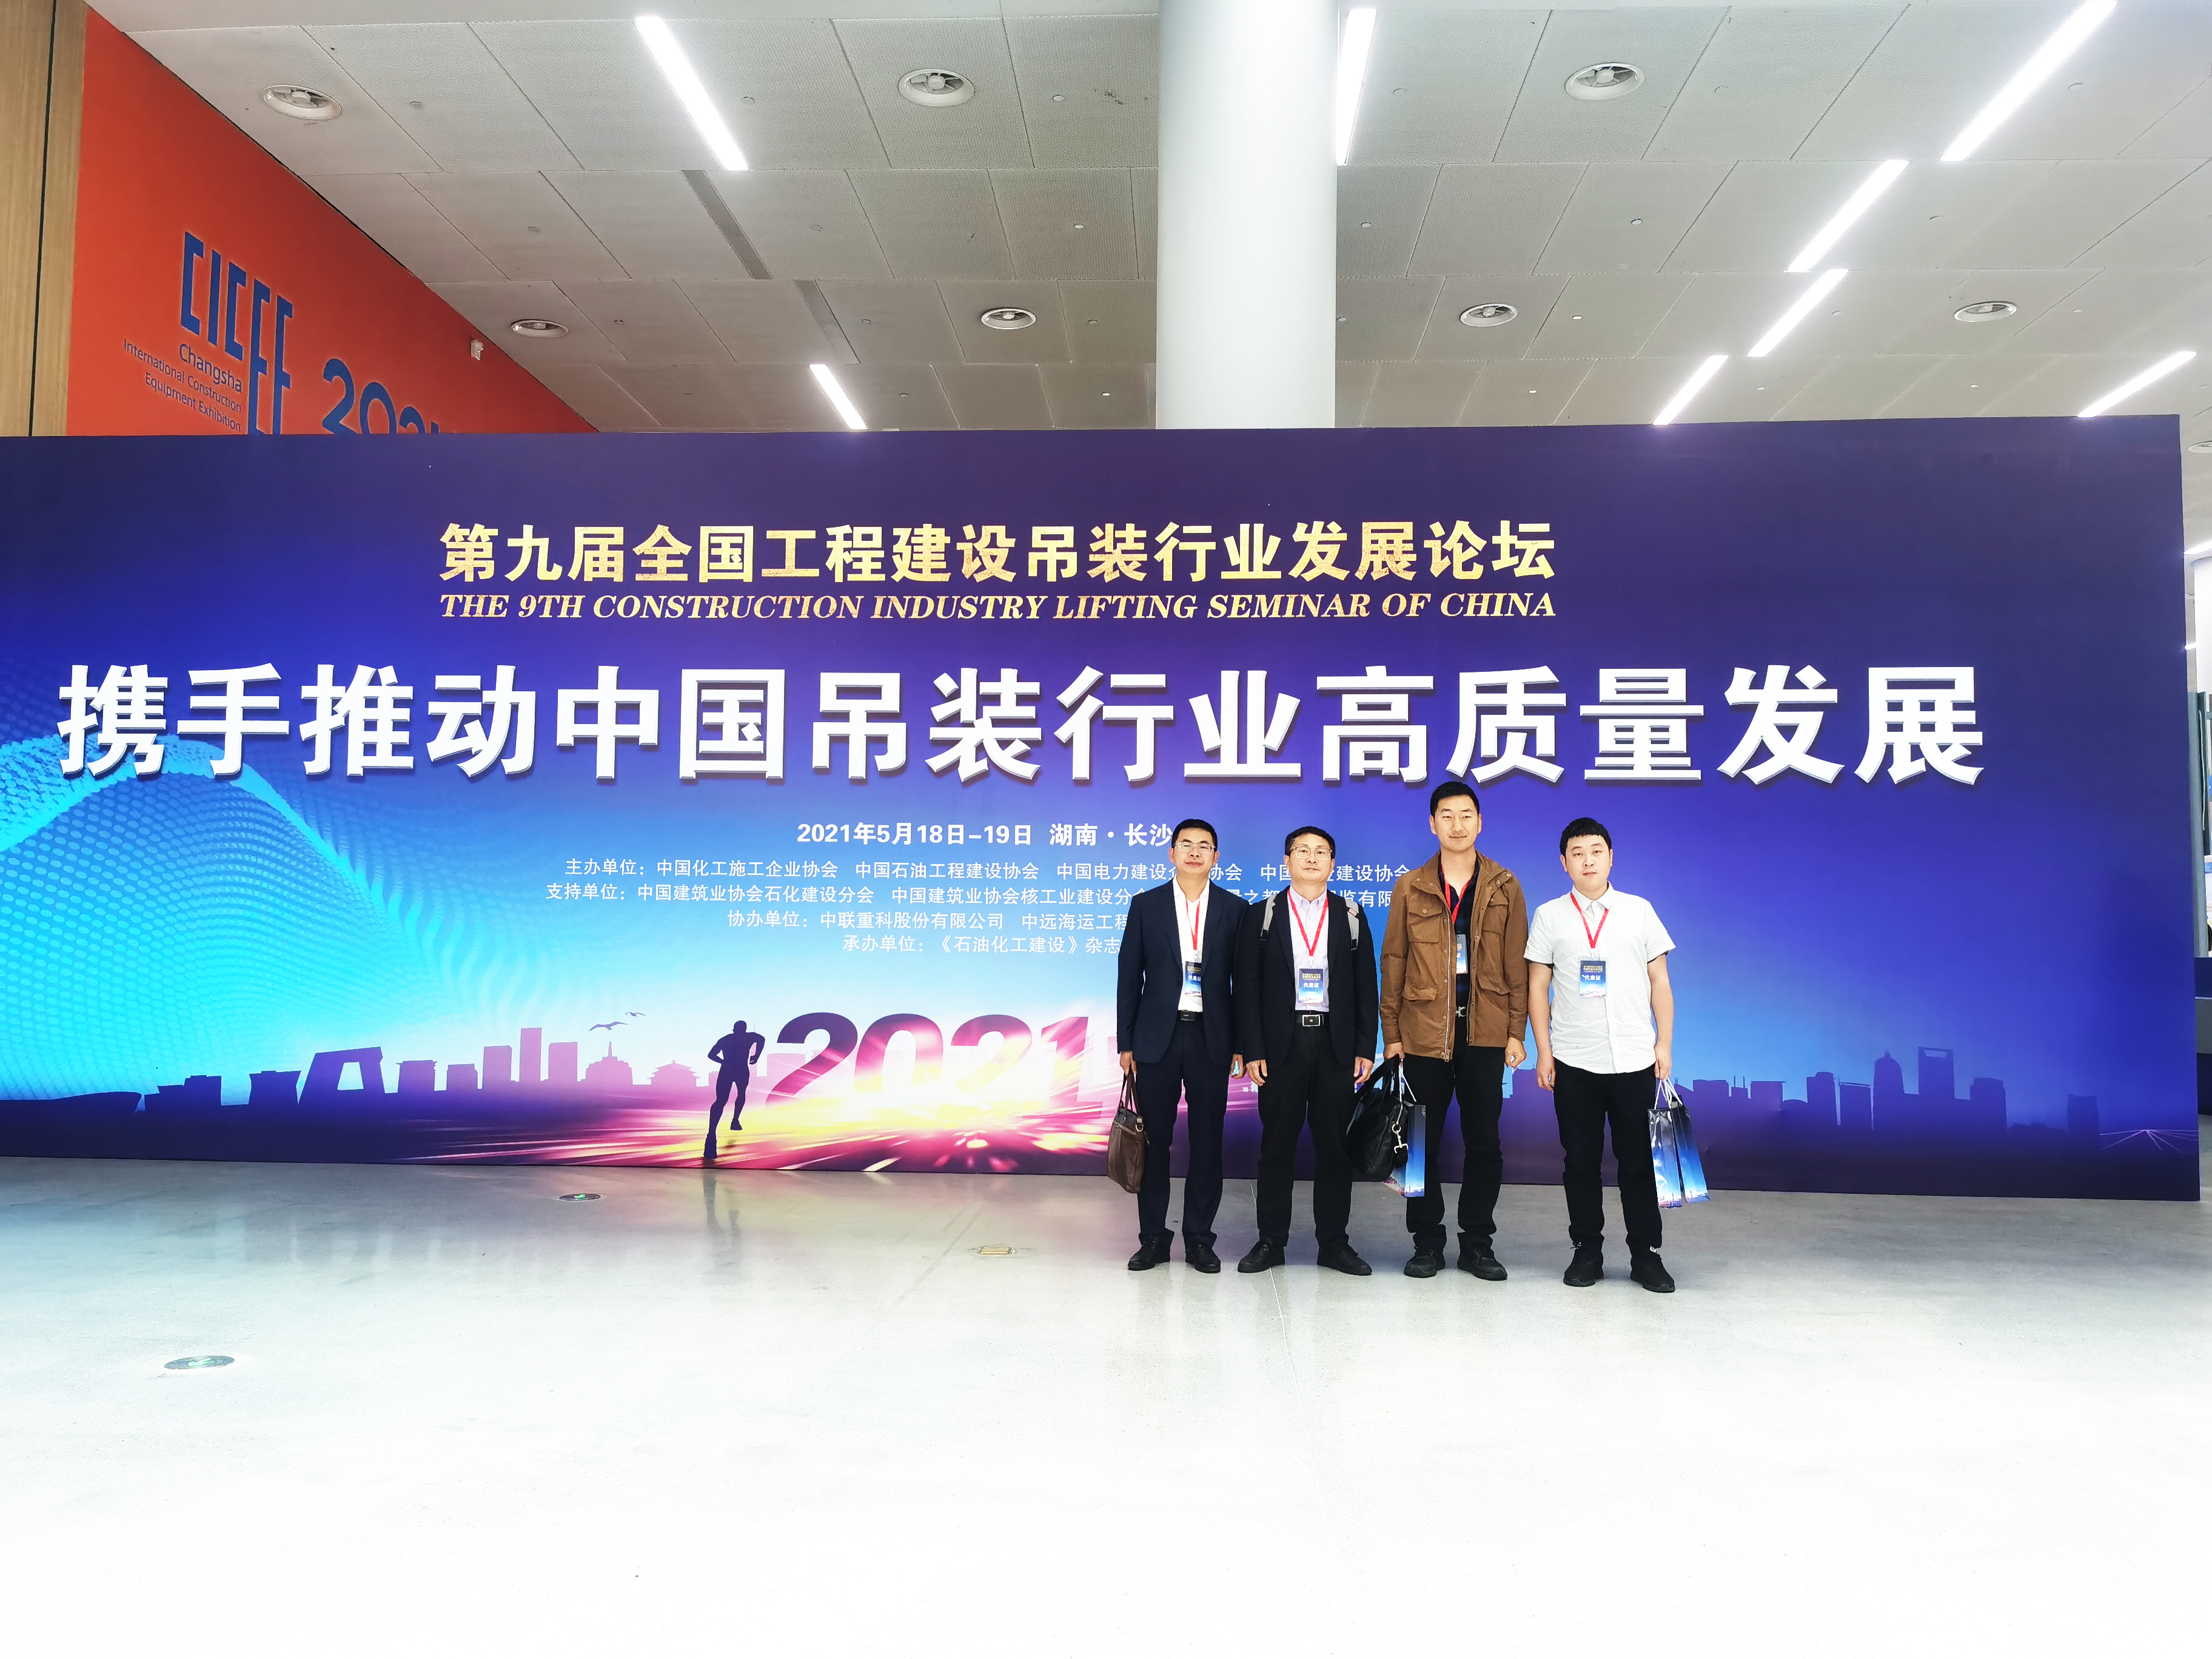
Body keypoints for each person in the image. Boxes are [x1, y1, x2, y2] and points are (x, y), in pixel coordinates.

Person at [1379, 780, 1528, 1281]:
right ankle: (1426, 1243)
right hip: (1423, 1035)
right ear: (1432, 824)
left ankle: (1477, 1243)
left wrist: (1516, 1031)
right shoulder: (1411, 886)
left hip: (1486, 1035)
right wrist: (1392, 1035)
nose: (1457, 825)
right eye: (1447, 815)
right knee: (1421, 1145)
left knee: (1484, 1143)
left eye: (1466, 815)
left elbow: (1517, 964)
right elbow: (1394, 961)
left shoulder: (1505, 885)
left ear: (1480, 823)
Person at [1525, 817, 1678, 1294]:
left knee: (1639, 1163)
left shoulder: (1639, 911)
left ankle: (1646, 1255)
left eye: (1596, 852)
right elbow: (1537, 987)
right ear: (1564, 862)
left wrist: (1664, 1044)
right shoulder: (1550, 916)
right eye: (1577, 853)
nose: (1587, 861)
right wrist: (1544, 1051)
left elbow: (1660, 982)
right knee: (1580, 1162)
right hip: (1575, 1060)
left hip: (1634, 1058)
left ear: (1611, 858)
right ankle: (1586, 1251)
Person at [1232, 826, 1379, 1276]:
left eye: (1321, 852)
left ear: (1333, 863)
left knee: (1335, 1148)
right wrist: (1252, 1048)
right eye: (1303, 851)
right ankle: (1270, 1242)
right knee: (1276, 1146)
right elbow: (1247, 988)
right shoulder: (1262, 915)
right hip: (1282, 1045)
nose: (1312, 858)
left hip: (1335, 1045)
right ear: (1287, 860)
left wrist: (1365, 1046)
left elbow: (1365, 985)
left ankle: (1334, 1244)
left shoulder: (1351, 915)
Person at [1116, 818, 1247, 1273]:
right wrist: (1127, 1041)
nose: (1194, 852)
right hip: (1157, 1039)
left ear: (1216, 857)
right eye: (1186, 845)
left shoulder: (1235, 909)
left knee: (1208, 1142)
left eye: (1204, 846)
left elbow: (1244, 984)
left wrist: (1241, 1043)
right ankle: (1153, 1238)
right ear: (1171, 854)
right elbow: (1129, 977)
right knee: (1154, 1141)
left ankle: (1199, 1239)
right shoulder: (1146, 905)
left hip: (1212, 1037)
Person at [705, 1020, 765, 1158]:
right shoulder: (748, 1037)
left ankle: (718, 1129)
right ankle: (732, 1122)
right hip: (739, 1069)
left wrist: (724, 1062)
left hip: (729, 1070)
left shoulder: (726, 1039)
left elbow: (711, 1055)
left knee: (723, 1100)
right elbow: (761, 1039)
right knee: (736, 1095)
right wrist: (756, 1056)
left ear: (734, 1029)